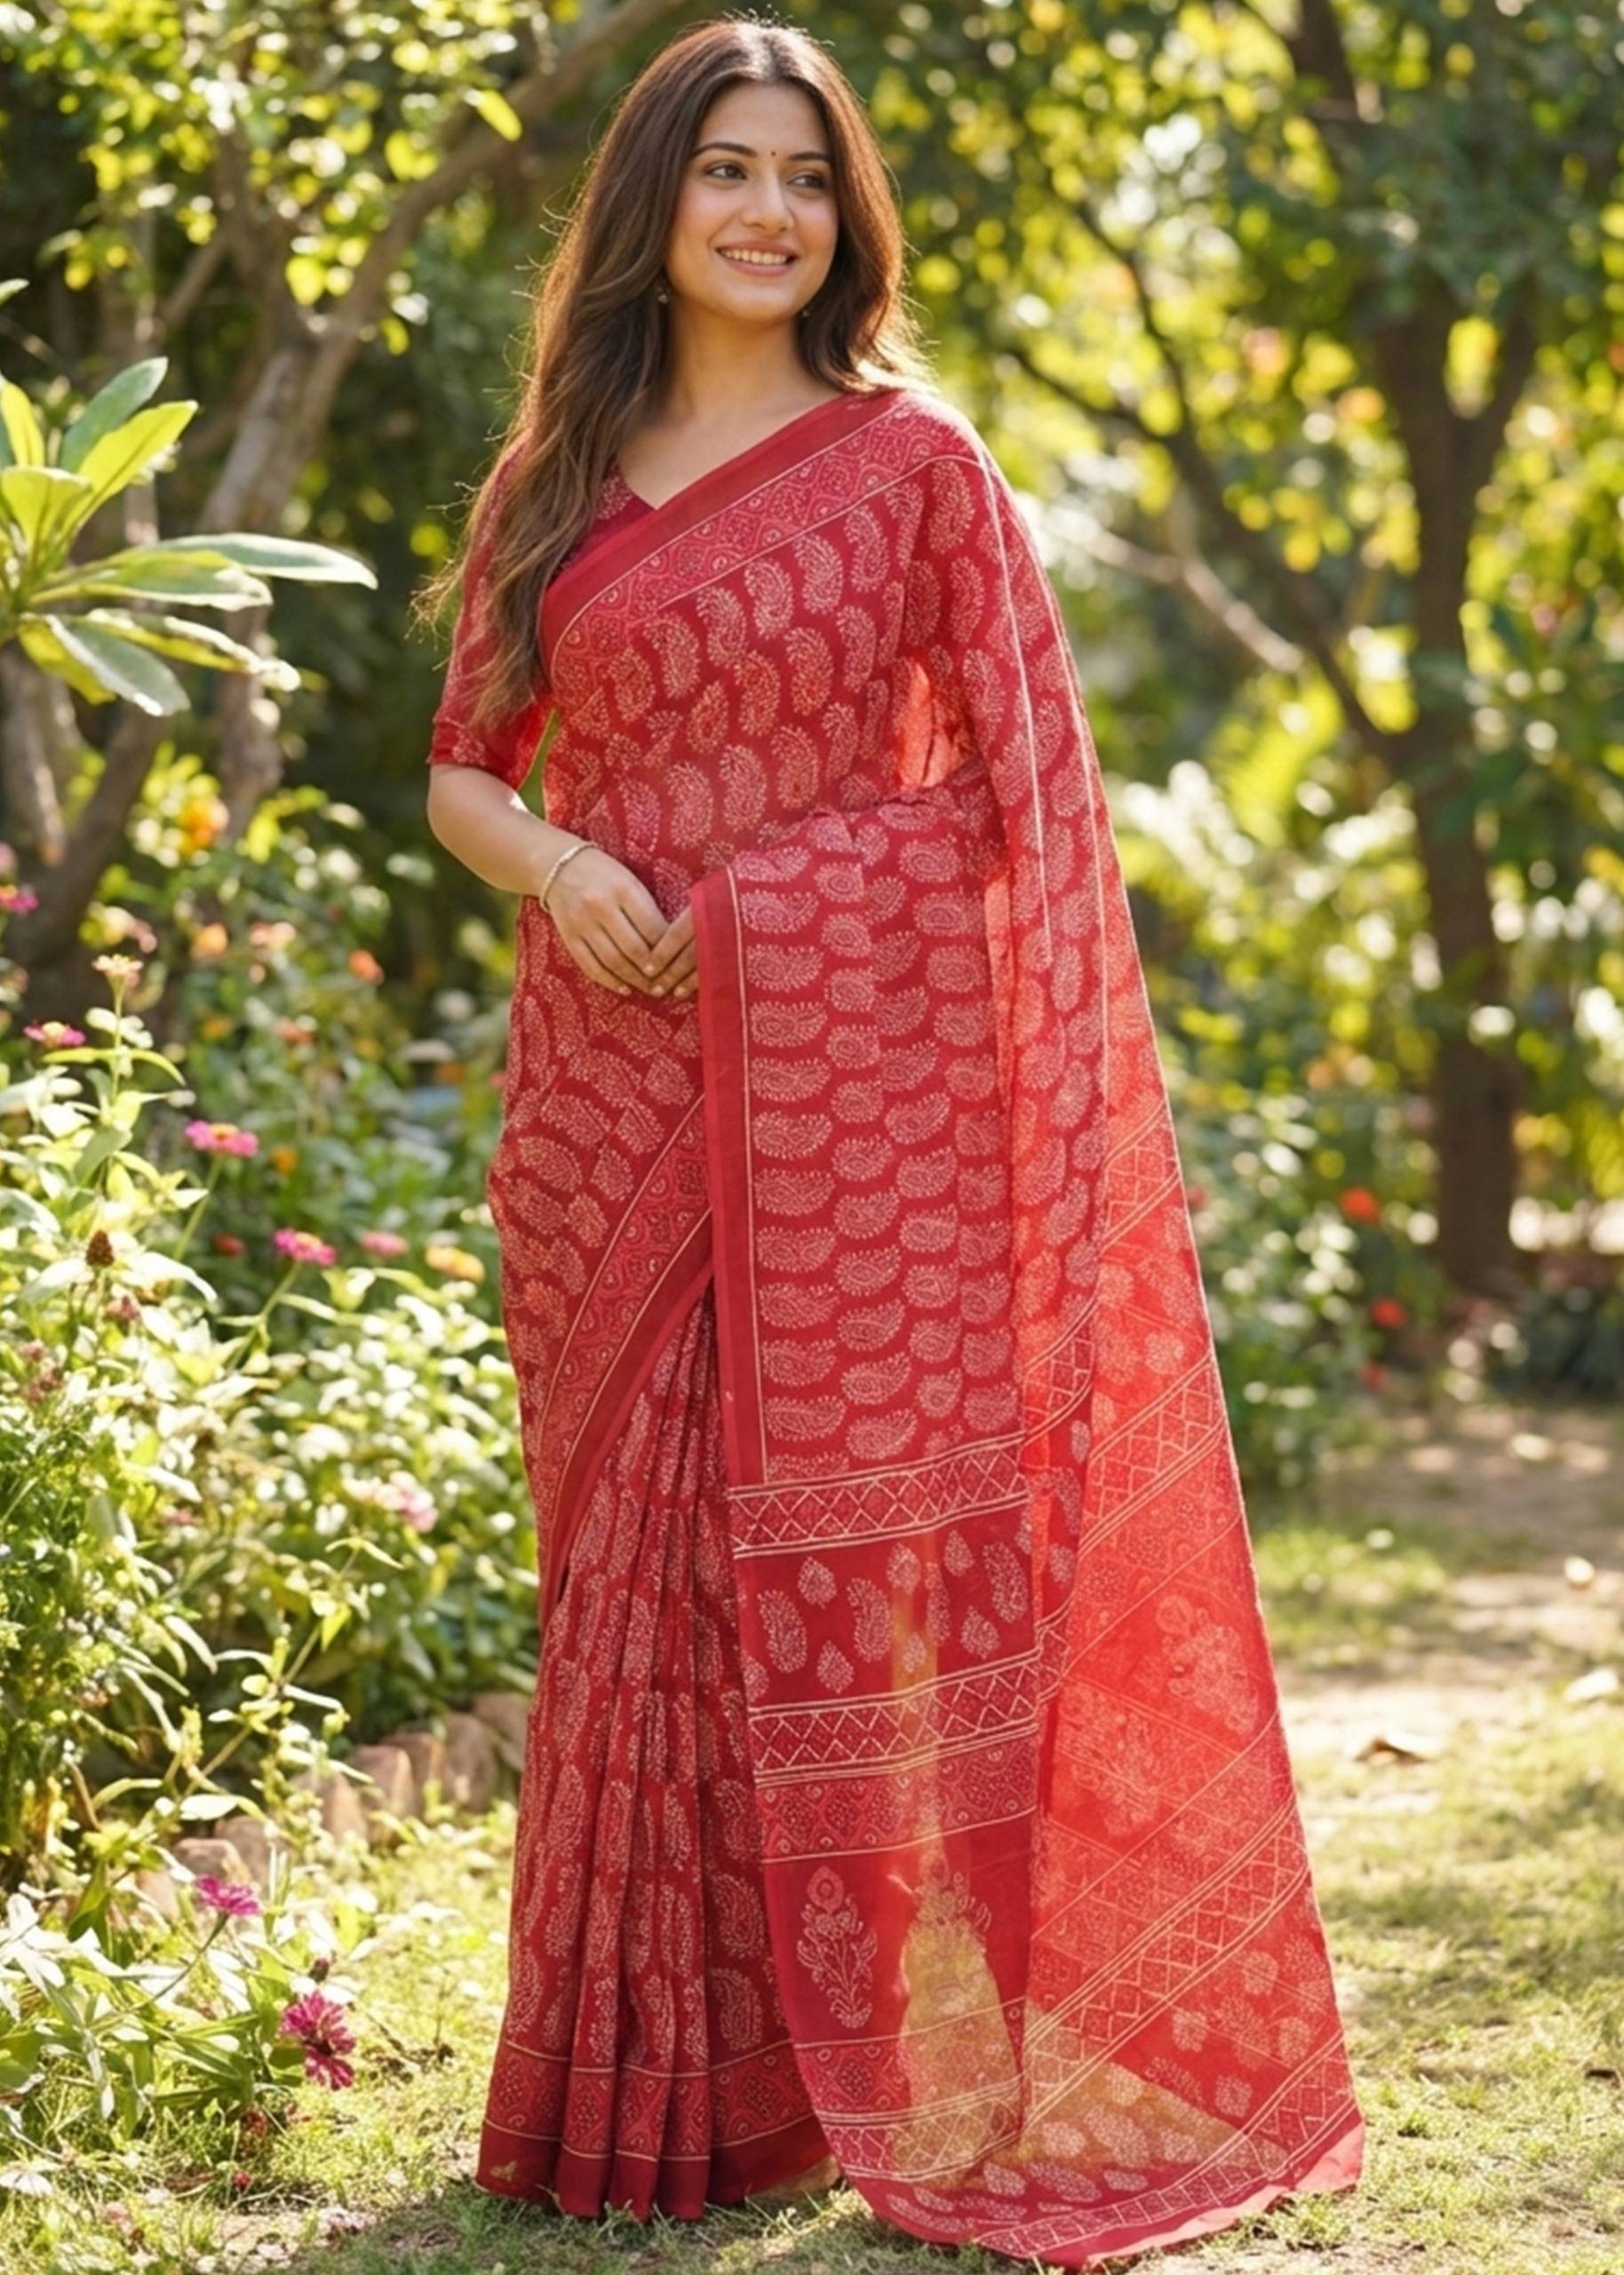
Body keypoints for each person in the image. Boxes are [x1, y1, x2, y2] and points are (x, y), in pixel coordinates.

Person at [421, 17, 1365, 2268]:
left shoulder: (912, 467)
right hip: (606, 1102)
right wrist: (562, 865)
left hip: (845, 1120)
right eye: (726, 168)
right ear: (651, 197)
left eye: (803, 177)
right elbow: (464, 764)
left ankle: (857, 2071)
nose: (767, 211)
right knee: (631, 1580)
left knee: (832, 1582)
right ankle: (643, 2098)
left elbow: (1020, 805)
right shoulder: (554, 472)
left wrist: (769, 908)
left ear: (846, 218)